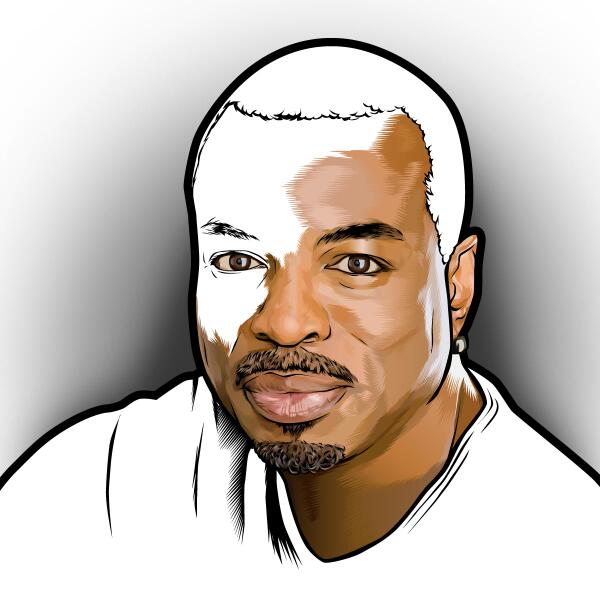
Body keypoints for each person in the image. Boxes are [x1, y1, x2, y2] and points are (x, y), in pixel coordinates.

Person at [1, 39, 598, 599]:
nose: (285, 324)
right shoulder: (100, 494)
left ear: (456, 286)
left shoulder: (565, 557)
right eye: (237, 261)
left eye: (357, 264)